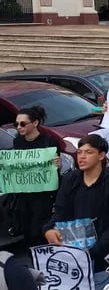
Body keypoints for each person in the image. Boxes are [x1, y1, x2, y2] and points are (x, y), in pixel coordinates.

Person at [43, 134, 109, 290]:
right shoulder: (70, 179)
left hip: (104, 259)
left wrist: (94, 250)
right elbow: (60, 210)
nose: (81, 157)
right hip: (73, 255)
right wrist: (49, 229)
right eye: (79, 152)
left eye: (88, 152)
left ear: (101, 156)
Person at [8, 106, 60, 247]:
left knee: (39, 228)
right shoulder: (18, 141)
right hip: (24, 193)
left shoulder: (49, 142)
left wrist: (57, 165)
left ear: (35, 123)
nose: (19, 127)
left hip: (42, 195)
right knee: (26, 228)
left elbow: (55, 171)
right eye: (16, 124)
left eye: (23, 124)